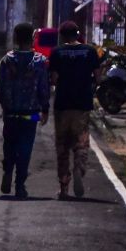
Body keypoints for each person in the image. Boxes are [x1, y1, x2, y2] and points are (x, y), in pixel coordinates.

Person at [0, 23, 49, 199]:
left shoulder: (7, 60)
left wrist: (4, 104)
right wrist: (45, 108)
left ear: (16, 39)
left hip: (11, 112)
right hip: (31, 113)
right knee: (25, 148)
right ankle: (20, 185)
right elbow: (44, 88)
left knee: (9, 145)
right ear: (32, 38)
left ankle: (7, 169)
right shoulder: (40, 62)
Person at [49, 21, 102, 200]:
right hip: (82, 103)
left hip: (63, 104)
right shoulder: (89, 51)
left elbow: (54, 79)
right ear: (78, 34)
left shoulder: (57, 52)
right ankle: (79, 168)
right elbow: (98, 76)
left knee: (62, 146)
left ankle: (64, 187)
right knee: (81, 142)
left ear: (62, 36)